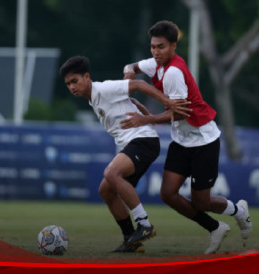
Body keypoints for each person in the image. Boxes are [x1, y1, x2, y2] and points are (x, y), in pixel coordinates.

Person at [121, 20, 252, 254]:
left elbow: (177, 114)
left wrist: (146, 118)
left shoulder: (173, 73)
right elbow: (131, 65)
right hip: (182, 141)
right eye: (153, 47)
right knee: (167, 194)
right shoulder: (156, 64)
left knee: (202, 202)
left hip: (204, 141)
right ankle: (215, 228)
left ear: (173, 46)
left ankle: (238, 211)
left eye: (161, 47)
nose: (155, 52)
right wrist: (129, 73)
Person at [59, 56, 190, 252]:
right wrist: (146, 116)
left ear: (87, 77)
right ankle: (131, 240)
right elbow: (132, 100)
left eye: (74, 81)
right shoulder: (94, 99)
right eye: (68, 84)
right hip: (138, 142)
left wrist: (167, 102)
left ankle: (144, 224)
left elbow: (137, 84)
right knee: (106, 190)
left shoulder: (103, 89)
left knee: (111, 174)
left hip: (143, 142)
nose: (71, 87)